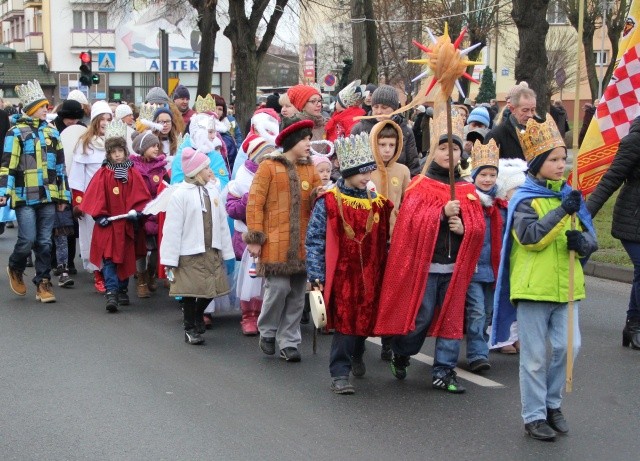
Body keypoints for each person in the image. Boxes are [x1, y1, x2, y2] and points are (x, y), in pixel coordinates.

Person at [491, 114, 597, 441]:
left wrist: (584, 245)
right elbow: (531, 237)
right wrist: (562, 211)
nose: (560, 165)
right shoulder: (524, 198)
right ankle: (534, 415)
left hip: (567, 288)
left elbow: (590, 238)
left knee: (570, 348)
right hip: (534, 290)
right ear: (537, 163)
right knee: (534, 358)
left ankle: (553, 403)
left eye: (563, 159)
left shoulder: (571, 197)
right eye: (553, 159)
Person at [372, 108, 486, 394]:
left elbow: (478, 227)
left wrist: (465, 229)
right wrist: (439, 214)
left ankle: (444, 370)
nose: (449, 154)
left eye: (455, 149)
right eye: (443, 148)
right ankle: (402, 350)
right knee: (420, 316)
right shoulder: (420, 185)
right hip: (426, 267)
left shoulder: (467, 188)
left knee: (452, 318)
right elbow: (409, 223)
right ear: (433, 151)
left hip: (454, 268)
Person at [306, 133, 393, 394]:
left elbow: (386, 240)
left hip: (371, 273)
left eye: (370, 171)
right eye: (362, 172)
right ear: (347, 172)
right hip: (343, 273)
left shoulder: (378, 204)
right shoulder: (330, 202)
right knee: (344, 323)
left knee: (365, 321)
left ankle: (358, 352)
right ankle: (339, 373)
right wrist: (316, 273)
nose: (368, 177)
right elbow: (315, 238)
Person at [245, 116, 322, 362]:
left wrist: (321, 194)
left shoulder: (310, 168)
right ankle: (267, 330)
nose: (309, 144)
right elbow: (255, 203)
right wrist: (255, 237)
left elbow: (316, 200)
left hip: (302, 242)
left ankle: (289, 341)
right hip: (276, 241)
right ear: (292, 141)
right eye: (305, 139)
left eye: (310, 139)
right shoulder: (268, 167)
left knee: (298, 294)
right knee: (278, 287)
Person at [1, 80, 71, 303]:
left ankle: (43, 282)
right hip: (24, 195)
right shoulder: (16, 132)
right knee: (27, 239)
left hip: (48, 195)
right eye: (42, 106)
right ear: (32, 108)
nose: (46, 109)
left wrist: (63, 195)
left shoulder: (52, 132)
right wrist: (4, 190)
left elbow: (60, 166)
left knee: (44, 242)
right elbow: (8, 164)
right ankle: (15, 266)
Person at [161, 148, 235, 344]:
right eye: (206, 168)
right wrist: (170, 259)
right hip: (189, 252)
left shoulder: (212, 191)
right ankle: (190, 328)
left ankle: (196, 315)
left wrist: (227, 251)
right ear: (195, 171)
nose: (209, 171)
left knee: (212, 290)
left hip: (212, 249)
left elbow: (221, 222)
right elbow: (172, 229)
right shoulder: (180, 195)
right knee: (189, 292)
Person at [80, 120, 152, 312]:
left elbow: (141, 197)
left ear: (125, 151)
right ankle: (111, 293)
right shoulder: (103, 173)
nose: (117, 154)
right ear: (109, 154)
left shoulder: (133, 173)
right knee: (110, 259)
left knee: (126, 258)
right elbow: (95, 196)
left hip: (127, 225)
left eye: (120, 150)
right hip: (109, 226)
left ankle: (122, 290)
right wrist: (98, 216)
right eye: (113, 152)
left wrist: (137, 213)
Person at [587, 115, 640, 350]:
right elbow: (611, 179)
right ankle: (635, 324)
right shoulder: (634, 141)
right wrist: (584, 215)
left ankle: (632, 324)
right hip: (633, 218)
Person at [463, 139, 506, 372]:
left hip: (493, 268)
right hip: (473, 268)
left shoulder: (500, 206)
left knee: (487, 312)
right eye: (483, 175)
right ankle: (477, 354)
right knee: (477, 311)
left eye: (492, 174)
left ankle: (476, 343)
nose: (488, 179)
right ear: (474, 175)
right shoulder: (468, 201)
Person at [226, 136, 276, 335]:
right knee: (251, 279)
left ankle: (267, 315)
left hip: (271, 234)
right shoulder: (241, 179)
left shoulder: (276, 175)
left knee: (269, 280)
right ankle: (249, 316)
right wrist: (250, 198)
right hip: (249, 237)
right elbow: (232, 210)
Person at [69, 100, 113, 293]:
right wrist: (78, 201)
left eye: (108, 118)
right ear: (95, 120)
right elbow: (77, 176)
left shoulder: (115, 142)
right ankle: (98, 273)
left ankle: (112, 272)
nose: (105, 122)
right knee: (93, 235)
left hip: (112, 197)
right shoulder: (85, 144)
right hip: (91, 198)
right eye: (102, 118)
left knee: (111, 237)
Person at [489, 158, 528, 354]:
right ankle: (502, 337)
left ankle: (516, 336)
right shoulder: (498, 211)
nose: (520, 194)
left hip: (519, 262)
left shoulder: (524, 210)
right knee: (502, 299)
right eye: (515, 189)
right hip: (500, 262)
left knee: (518, 301)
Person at [351, 85, 421, 177]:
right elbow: (352, 165)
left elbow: (413, 166)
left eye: (384, 107)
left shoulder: (405, 131)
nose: (379, 111)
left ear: (394, 109)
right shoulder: (359, 129)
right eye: (376, 107)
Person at [131, 130, 167, 298]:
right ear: (142, 148)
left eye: (157, 145)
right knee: (141, 247)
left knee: (157, 248)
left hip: (158, 211)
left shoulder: (161, 167)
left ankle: (152, 272)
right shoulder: (132, 168)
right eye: (152, 145)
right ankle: (142, 279)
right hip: (141, 212)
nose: (156, 148)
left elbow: (165, 186)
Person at [369, 119, 410, 236]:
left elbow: (407, 200)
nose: (387, 150)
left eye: (392, 145)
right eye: (382, 144)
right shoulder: (367, 171)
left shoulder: (403, 171)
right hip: (371, 231)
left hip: (395, 231)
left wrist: (401, 216)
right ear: (373, 143)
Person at [485, 82, 537, 160]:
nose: (530, 115)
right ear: (513, 109)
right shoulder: (496, 135)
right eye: (525, 110)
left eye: (532, 110)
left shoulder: (539, 131)